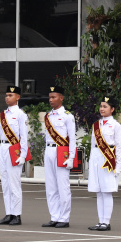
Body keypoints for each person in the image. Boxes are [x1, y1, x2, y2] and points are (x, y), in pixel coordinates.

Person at [41, 85, 77, 228]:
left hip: (62, 152)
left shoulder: (67, 116)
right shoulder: (48, 116)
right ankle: (54, 216)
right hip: (49, 151)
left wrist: (71, 157)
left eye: (53, 97)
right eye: (49, 97)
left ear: (61, 98)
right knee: (51, 187)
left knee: (63, 187)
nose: (51, 100)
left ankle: (64, 218)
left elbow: (72, 139)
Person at [0, 85, 29, 226]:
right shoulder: (2, 114)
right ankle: (8, 213)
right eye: (6, 95)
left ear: (18, 97)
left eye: (10, 95)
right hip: (3, 147)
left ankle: (17, 214)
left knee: (14, 183)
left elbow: (24, 136)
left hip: (14, 149)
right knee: (5, 183)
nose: (7, 97)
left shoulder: (21, 114)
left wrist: (23, 154)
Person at [88, 96, 121, 231]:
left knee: (107, 191)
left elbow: (119, 147)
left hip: (108, 160)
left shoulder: (116, 126)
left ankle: (106, 222)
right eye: (101, 106)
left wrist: (118, 166)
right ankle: (100, 221)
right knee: (98, 192)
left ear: (112, 109)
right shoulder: (96, 125)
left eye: (105, 106)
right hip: (96, 159)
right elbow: (93, 145)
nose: (102, 109)